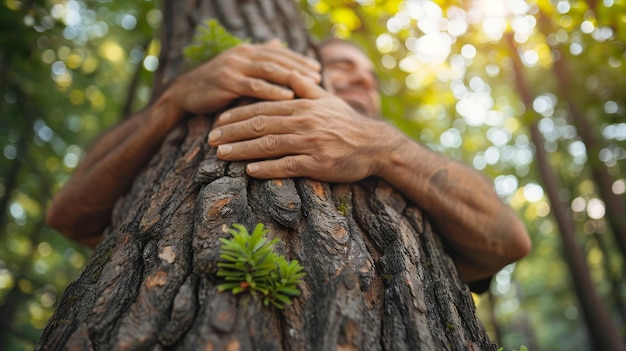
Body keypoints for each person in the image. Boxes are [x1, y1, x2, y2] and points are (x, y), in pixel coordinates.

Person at [46, 38, 531, 287]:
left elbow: (507, 239)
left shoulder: (416, 167)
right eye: (343, 65)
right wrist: (171, 102)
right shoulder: (193, 120)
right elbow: (68, 214)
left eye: (370, 77)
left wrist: (385, 149)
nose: (363, 81)